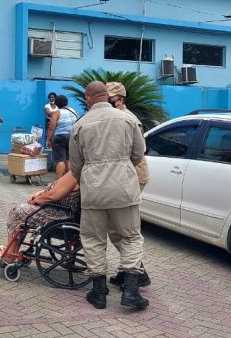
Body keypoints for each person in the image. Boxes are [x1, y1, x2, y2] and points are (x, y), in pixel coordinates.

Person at [70, 81, 148, 310]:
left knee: (94, 239)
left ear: (88, 98)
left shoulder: (80, 125)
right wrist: (121, 167)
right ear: (107, 96)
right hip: (124, 189)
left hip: (93, 191)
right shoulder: (128, 119)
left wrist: (90, 175)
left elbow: (76, 166)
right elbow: (138, 153)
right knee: (131, 237)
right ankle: (131, 292)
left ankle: (99, 293)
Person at [105, 81, 152, 290]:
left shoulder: (129, 119)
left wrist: (119, 171)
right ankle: (128, 271)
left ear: (119, 100)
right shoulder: (113, 117)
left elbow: (136, 153)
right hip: (123, 176)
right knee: (116, 229)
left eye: (108, 100)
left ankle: (136, 273)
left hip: (132, 176)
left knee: (120, 229)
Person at [0, 171, 80, 265]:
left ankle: (9, 256)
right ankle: (12, 250)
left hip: (59, 215)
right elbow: (57, 187)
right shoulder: (77, 171)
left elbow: (52, 196)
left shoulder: (74, 174)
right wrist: (42, 192)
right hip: (59, 211)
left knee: (18, 211)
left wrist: (36, 200)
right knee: (23, 213)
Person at [46, 94, 79, 179]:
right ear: (66, 102)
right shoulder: (74, 111)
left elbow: (51, 128)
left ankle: (58, 182)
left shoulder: (57, 113)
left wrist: (48, 140)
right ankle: (71, 182)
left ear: (57, 104)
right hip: (72, 137)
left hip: (59, 137)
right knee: (69, 160)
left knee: (60, 160)